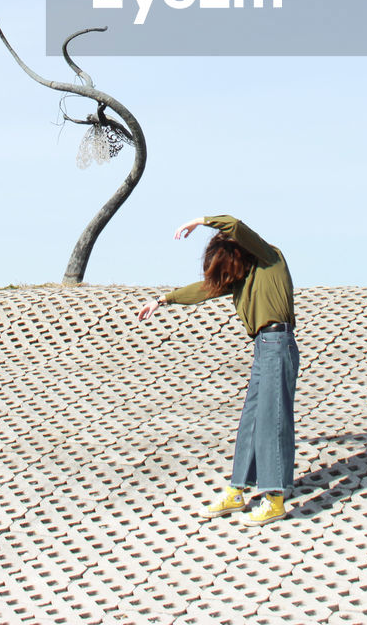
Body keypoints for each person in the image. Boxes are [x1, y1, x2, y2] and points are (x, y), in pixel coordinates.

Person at [137, 214, 298, 526]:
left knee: (271, 420)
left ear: (237, 253)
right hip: (264, 347)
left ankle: (275, 498)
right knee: (251, 419)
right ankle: (238, 489)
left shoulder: (268, 257)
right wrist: (163, 300)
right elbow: (204, 289)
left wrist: (200, 221)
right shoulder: (242, 276)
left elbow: (235, 226)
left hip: (279, 343)